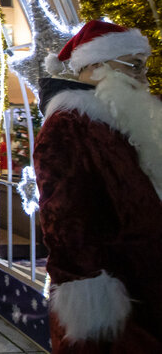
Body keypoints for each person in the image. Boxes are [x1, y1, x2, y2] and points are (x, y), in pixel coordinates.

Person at [35, 20, 162, 352]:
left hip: (143, 287)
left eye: (143, 67)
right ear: (95, 65)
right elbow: (62, 216)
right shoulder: (70, 125)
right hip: (115, 299)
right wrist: (90, 292)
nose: (142, 79)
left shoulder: (118, 123)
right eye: (134, 67)